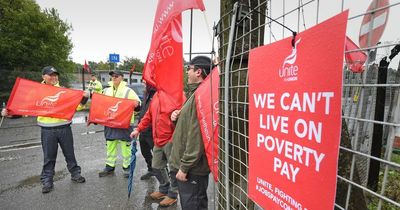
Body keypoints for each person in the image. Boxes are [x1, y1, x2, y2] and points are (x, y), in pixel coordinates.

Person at [1, 66, 88, 194]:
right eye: (50, 75)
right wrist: (9, 112)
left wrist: (84, 97)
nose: (53, 77)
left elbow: (78, 107)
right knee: (49, 157)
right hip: (47, 131)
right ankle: (47, 180)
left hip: (64, 128)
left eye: (55, 75)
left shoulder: (64, 91)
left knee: (70, 154)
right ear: (43, 77)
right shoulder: (36, 91)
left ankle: (75, 174)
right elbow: (24, 108)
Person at [169, 56, 212, 209]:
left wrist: (185, 167)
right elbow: (188, 126)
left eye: (189, 69)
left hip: (192, 169)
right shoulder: (195, 93)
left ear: (198, 71)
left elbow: (197, 136)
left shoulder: (200, 96)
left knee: (193, 205)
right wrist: (176, 117)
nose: (187, 72)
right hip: (190, 167)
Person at [130, 90, 179, 207]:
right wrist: (138, 129)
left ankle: (172, 195)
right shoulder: (156, 95)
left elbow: (183, 118)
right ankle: (164, 188)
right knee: (156, 166)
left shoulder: (177, 94)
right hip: (158, 139)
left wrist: (174, 138)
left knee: (174, 169)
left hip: (171, 140)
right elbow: (148, 116)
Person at [98, 70, 140, 178]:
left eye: (116, 76)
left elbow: (138, 104)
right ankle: (109, 167)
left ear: (122, 77)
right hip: (110, 123)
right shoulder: (106, 90)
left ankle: (127, 167)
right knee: (110, 145)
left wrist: (136, 104)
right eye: (112, 76)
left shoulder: (128, 91)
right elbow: (100, 103)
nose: (114, 77)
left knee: (125, 147)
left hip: (124, 124)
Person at [137, 83, 156, 180]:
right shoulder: (146, 93)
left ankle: (165, 177)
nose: (144, 83)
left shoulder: (157, 93)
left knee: (158, 155)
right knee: (145, 152)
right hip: (143, 129)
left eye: (146, 81)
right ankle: (151, 169)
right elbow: (143, 110)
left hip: (152, 130)